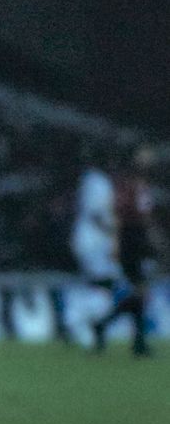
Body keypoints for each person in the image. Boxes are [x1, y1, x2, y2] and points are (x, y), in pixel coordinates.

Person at [83, 148, 159, 356]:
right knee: (140, 293)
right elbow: (123, 216)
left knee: (139, 294)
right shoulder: (130, 186)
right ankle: (105, 327)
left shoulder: (139, 185)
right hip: (131, 242)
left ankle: (136, 342)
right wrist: (118, 243)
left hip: (136, 241)